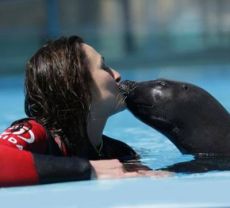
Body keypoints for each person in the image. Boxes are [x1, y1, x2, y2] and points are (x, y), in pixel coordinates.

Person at [0, 36, 168, 187]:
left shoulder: (119, 152)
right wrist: (88, 169)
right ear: (77, 85)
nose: (117, 75)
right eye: (103, 67)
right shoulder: (35, 132)